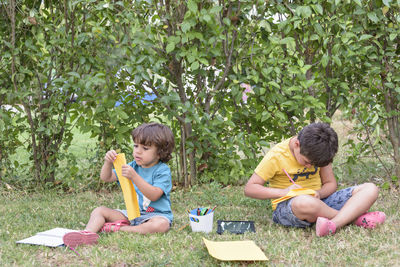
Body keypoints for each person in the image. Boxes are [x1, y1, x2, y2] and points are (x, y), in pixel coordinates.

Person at [244, 122, 385, 237]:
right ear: (297, 145)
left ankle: (334, 224)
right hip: (290, 206)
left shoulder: (320, 152)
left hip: (321, 202)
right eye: (307, 162)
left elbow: (330, 184)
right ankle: (355, 219)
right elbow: (250, 189)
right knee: (304, 203)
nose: (310, 166)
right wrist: (285, 192)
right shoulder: (276, 155)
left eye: (315, 164)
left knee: (370, 189)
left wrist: (319, 193)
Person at [63, 122, 175, 247]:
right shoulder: (132, 166)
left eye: (145, 148)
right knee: (99, 211)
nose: (138, 151)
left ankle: (118, 228)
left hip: (155, 215)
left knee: (161, 225)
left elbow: (154, 195)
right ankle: (86, 234)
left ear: (160, 152)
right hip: (132, 214)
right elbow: (106, 177)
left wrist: (134, 177)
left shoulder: (162, 170)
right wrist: (108, 163)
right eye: (136, 146)